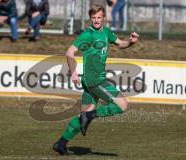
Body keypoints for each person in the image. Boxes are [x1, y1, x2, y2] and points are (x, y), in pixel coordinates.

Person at [53, 5, 139, 155]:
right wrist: (73, 72)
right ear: (90, 18)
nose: (96, 20)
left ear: (103, 18)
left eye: (99, 17)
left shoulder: (106, 32)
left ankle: (61, 143)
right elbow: (70, 52)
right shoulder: (87, 35)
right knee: (122, 105)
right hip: (95, 81)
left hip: (90, 82)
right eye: (93, 18)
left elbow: (121, 44)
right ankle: (90, 116)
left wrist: (130, 42)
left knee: (83, 117)